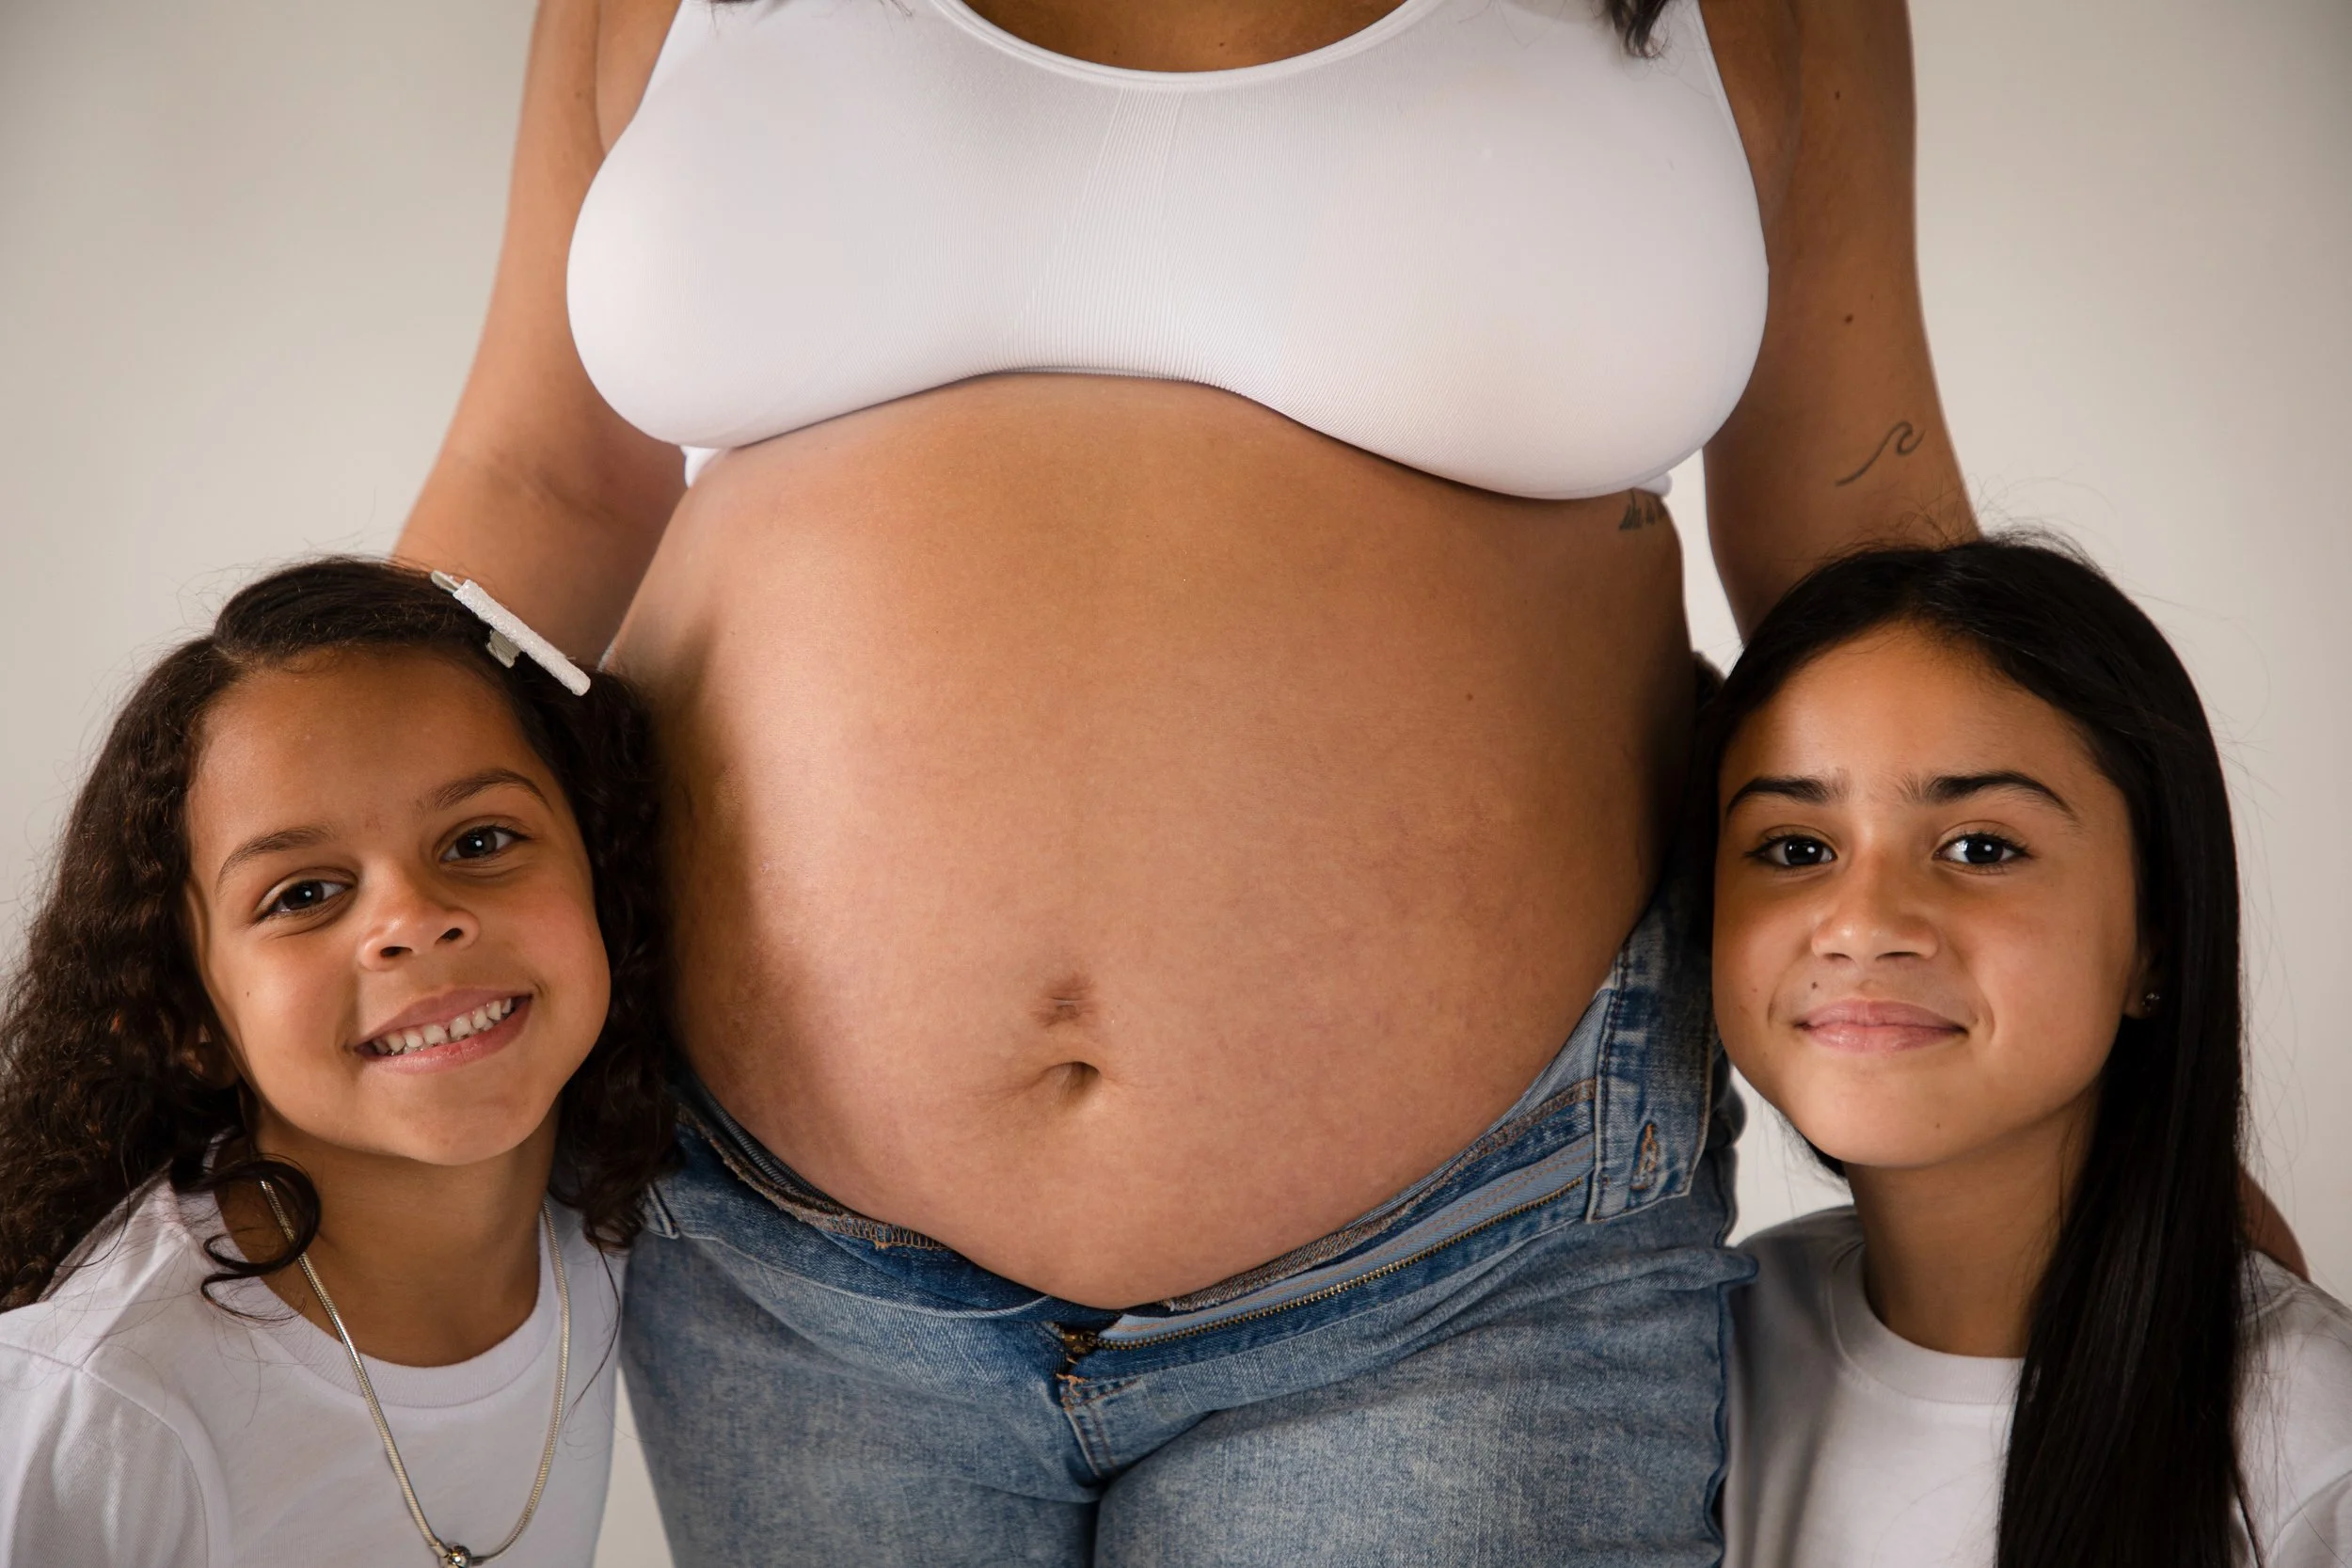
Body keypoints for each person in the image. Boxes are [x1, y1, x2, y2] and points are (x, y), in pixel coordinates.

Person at [398, 0, 1971, 1559]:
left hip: (1486, 1250)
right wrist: (249, 984)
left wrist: (2110, 1152)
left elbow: (1868, 556)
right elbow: (539, 490)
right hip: (774, 1250)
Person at [0, 560, 676, 1565]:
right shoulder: (111, 1405)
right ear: (189, 1009)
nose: (412, 919)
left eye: (481, 837)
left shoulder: (620, 1212)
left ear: (601, 872)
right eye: (304, 894)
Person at [1703, 540, 2352, 1568]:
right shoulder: (1697, 1355)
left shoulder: (2312, 1445)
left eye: (1980, 847)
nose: (1861, 924)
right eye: (1796, 848)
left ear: (2158, 937)